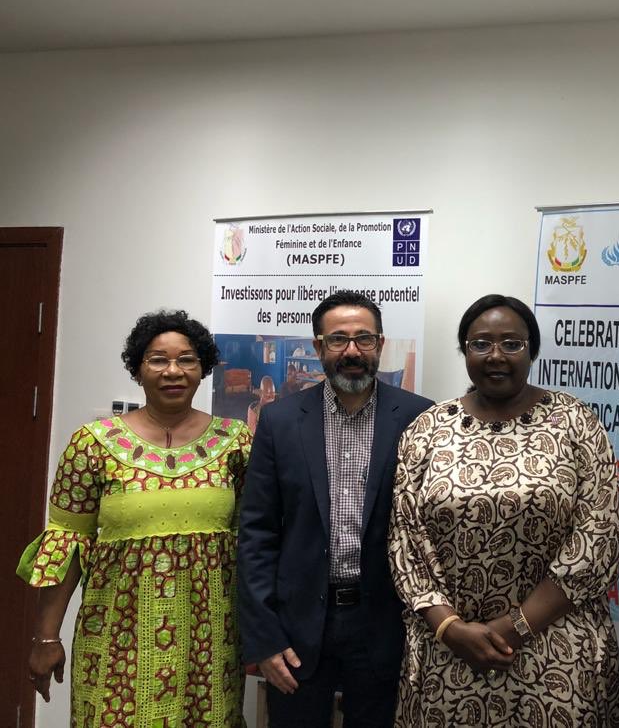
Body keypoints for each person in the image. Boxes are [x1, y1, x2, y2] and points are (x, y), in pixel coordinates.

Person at [389, 294, 619, 727]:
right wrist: (452, 630)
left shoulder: (574, 422)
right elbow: (405, 541)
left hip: (556, 649)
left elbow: (599, 535)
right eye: (480, 344)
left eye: (511, 344)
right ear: (464, 351)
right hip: (451, 652)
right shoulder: (427, 429)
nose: (495, 355)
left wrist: (514, 627)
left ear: (532, 350)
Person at [17, 309, 251, 726]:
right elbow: (65, 545)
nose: (173, 371)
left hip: (211, 639)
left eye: (187, 360)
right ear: (137, 369)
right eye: (158, 359)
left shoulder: (236, 442)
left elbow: (256, 542)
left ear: (204, 369)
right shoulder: (93, 444)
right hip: (116, 637)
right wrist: (46, 637)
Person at [237, 290, 432, 728]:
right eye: (338, 339)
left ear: (380, 345)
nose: (352, 351)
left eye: (364, 339)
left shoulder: (420, 418)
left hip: (384, 624)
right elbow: (257, 533)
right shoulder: (280, 421)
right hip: (299, 624)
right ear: (318, 346)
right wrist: (264, 639)